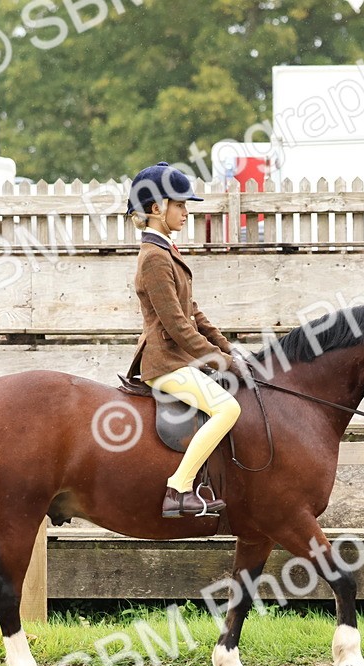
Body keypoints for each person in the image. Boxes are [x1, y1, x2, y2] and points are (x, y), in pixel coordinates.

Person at [126, 162, 242, 518]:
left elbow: (193, 311)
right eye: (180, 205)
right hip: (165, 364)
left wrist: (228, 349)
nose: (187, 213)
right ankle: (178, 489)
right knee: (228, 408)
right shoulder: (154, 258)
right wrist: (217, 361)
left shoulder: (167, 252)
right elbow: (177, 325)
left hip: (180, 359)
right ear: (157, 208)